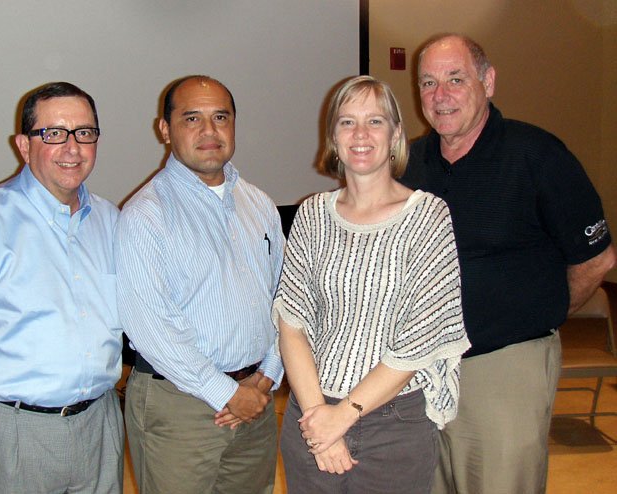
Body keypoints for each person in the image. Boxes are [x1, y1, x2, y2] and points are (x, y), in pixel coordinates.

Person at [401, 34, 617, 494]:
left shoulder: (538, 155)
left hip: (504, 367)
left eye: (455, 79)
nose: (440, 95)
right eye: (428, 82)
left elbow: (597, 260)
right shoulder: (410, 163)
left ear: (488, 81)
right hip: (419, 369)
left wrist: (539, 316)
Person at [272, 75, 470, 494]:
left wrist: (342, 415)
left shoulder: (429, 218)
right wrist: (319, 419)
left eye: (375, 121)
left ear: (396, 134)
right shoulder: (311, 215)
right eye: (347, 122)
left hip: (395, 428)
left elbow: (417, 342)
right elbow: (292, 324)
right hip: (311, 415)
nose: (360, 134)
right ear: (333, 137)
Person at [0, 82, 124, 493]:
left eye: (84, 133)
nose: (72, 147)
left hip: (99, 422)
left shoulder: (111, 221)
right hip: (10, 430)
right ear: (24, 145)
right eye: (53, 133)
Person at [115, 75, 285, 494]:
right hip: (179, 406)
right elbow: (152, 327)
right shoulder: (145, 215)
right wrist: (225, 392)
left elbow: (285, 300)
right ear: (165, 129)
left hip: (256, 399)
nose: (209, 131)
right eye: (192, 118)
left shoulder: (258, 203)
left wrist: (267, 375)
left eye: (220, 117)